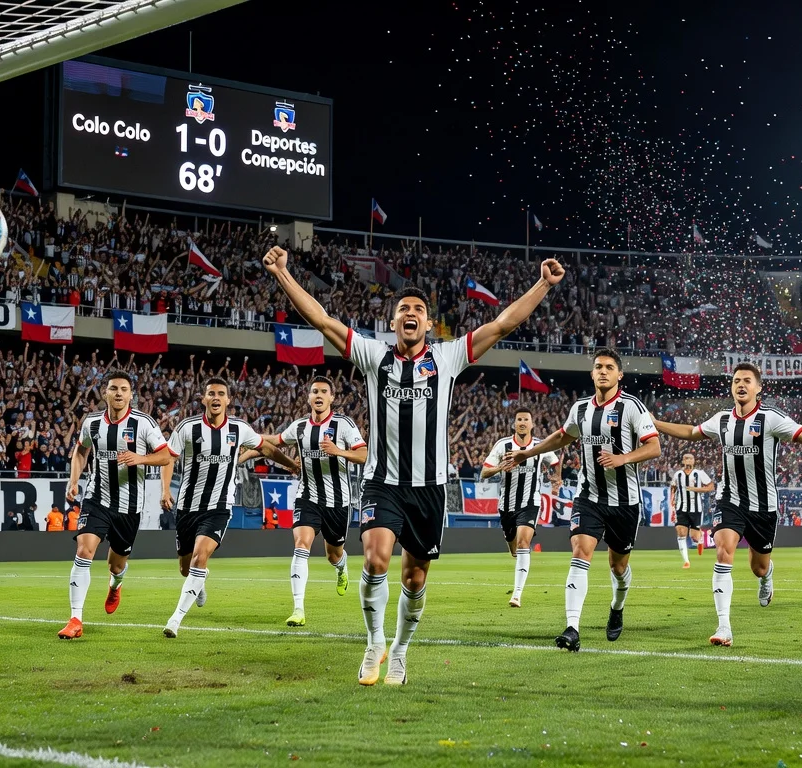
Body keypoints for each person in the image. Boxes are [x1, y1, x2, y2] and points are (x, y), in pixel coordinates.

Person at [264, 244, 564, 685]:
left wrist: (543, 283)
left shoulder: (447, 357)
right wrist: (282, 274)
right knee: (375, 560)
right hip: (381, 483)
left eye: (418, 309)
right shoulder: (373, 356)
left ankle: (400, 651)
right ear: (393, 322)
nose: (411, 313)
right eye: (403, 308)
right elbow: (323, 320)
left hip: (429, 488)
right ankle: (374, 643)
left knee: (416, 577)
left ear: (427, 322)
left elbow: (502, 324)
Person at [654, 362, 802, 648]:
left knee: (758, 566)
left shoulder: (771, 418)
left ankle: (767, 577)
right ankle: (724, 626)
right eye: (736, 381)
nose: (740, 385)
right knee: (723, 550)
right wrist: (655, 424)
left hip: (763, 507)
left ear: (758, 388)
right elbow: (691, 432)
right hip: (729, 500)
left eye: (746, 380)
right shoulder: (721, 420)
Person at [505, 349, 660, 651]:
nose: (603, 371)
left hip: (624, 502)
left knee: (618, 567)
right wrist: (528, 452)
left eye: (609, 367)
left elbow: (654, 447)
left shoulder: (632, 407)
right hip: (588, 497)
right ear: (592, 374)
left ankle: (616, 607)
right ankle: (572, 627)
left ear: (619, 375)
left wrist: (622, 458)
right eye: (598, 367)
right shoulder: (580, 409)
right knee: (581, 550)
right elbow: (563, 436)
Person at [159, 377, 298, 637]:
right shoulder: (187, 428)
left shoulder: (239, 429)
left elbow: (265, 449)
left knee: (201, 556)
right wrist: (165, 489)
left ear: (228, 400)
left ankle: (175, 619)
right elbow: (168, 458)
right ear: (203, 399)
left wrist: (289, 464)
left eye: (220, 393)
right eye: (210, 393)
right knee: (185, 568)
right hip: (188, 507)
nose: (215, 397)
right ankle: (198, 582)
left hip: (219, 506)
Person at [57, 370, 174, 640]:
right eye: (113, 388)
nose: (118, 393)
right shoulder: (93, 423)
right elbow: (81, 450)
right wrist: (73, 480)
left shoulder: (143, 423)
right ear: (105, 393)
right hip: (97, 499)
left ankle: (116, 584)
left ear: (131, 395)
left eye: (123, 389)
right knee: (84, 551)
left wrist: (139, 458)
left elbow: (166, 456)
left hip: (129, 508)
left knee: (115, 566)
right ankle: (75, 619)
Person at [250, 376, 367, 627]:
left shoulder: (343, 424)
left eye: (324, 391)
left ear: (332, 398)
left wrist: (339, 451)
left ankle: (341, 567)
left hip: (338, 502)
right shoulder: (300, 426)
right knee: (301, 545)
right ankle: (298, 609)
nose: (319, 395)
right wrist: (250, 437)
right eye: (314, 391)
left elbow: (364, 453)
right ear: (308, 397)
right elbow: (276, 440)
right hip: (308, 497)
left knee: (333, 554)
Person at [481, 406, 561, 607]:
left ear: (532, 424)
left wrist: (556, 479)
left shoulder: (539, 445)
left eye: (526, 419)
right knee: (513, 544)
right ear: (514, 424)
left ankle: (516, 594)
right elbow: (484, 472)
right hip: (506, 505)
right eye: (519, 420)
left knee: (524, 544)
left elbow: (555, 461)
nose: (523, 422)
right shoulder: (503, 445)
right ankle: (511, 543)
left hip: (530, 502)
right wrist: (501, 467)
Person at [668, 453, 714, 569]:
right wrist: (672, 503)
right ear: (683, 460)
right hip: (681, 508)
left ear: (694, 461)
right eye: (686, 458)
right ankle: (686, 561)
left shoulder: (699, 474)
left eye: (691, 458)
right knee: (681, 532)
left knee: (694, 537)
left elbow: (711, 487)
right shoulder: (677, 474)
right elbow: (673, 488)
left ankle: (700, 536)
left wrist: (696, 489)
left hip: (696, 509)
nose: (688, 460)